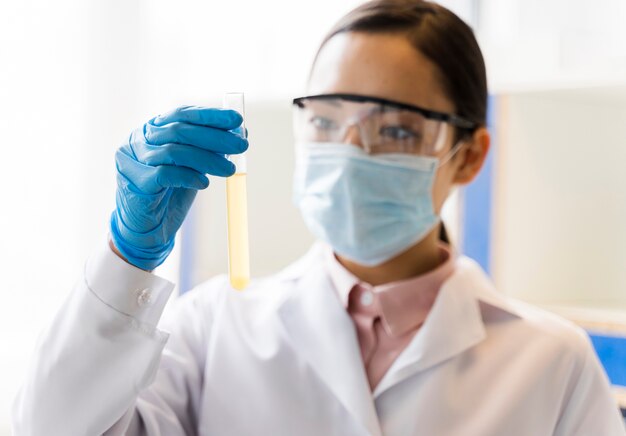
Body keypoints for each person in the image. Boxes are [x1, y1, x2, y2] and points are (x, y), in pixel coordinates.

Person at [12, 1, 625, 435]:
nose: (351, 152)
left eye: (395, 129)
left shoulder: (553, 364)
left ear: (468, 156)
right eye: (327, 119)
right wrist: (125, 258)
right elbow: (48, 426)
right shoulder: (215, 327)